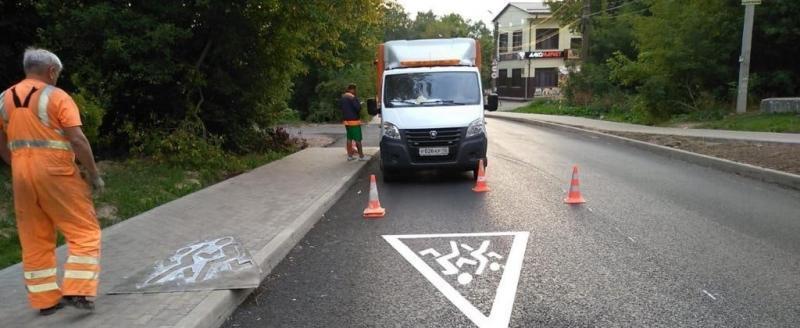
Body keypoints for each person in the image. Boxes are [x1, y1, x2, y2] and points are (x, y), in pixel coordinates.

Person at [0, 48, 104, 315]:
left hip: (21, 173)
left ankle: (45, 301)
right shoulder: (56, 96)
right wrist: (93, 174)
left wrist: (19, 165)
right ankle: (78, 290)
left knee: (34, 237)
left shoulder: (3, 100)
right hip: (56, 172)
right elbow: (78, 139)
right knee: (84, 231)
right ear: (52, 71)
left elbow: (2, 142)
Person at [339, 84, 370, 161]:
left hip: (346, 121)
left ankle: (350, 156)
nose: (355, 91)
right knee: (358, 139)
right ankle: (361, 156)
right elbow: (358, 108)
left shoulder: (343, 97)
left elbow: (341, 108)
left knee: (349, 138)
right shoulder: (352, 97)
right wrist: (360, 104)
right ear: (351, 89)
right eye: (355, 90)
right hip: (354, 122)